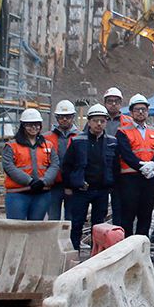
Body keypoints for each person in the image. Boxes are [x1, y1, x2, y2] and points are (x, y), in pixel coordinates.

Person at [61, 104, 117, 251]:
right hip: (82, 190)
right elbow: (67, 165)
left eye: (102, 121)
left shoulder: (112, 142)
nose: (99, 124)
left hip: (102, 190)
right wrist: (68, 186)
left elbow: (115, 166)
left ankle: (96, 254)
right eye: (95, 120)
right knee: (77, 223)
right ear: (89, 121)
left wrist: (112, 185)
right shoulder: (78, 141)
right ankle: (74, 253)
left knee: (99, 225)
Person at [115, 94, 154, 237]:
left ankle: (142, 249)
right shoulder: (123, 131)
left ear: (147, 111)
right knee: (128, 216)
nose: (140, 112)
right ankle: (128, 250)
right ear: (131, 112)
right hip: (130, 179)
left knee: (145, 215)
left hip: (149, 179)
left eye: (143, 109)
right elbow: (125, 153)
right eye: (137, 109)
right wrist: (141, 166)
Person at [2, 108, 60, 220]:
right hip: (17, 194)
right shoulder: (11, 146)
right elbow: (9, 167)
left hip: (42, 193)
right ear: (23, 125)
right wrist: (29, 181)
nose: (34, 127)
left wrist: (44, 181)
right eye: (29, 124)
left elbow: (54, 165)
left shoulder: (48, 145)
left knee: (35, 229)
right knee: (16, 228)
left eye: (37, 124)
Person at [46, 100, 79, 221]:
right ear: (56, 117)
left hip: (74, 186)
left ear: (73, 117)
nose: (64, 119)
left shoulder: (80, 137)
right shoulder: (46, 137)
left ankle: (70, 240)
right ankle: (52, 241)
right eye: (61, 117)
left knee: (71, 221)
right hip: (53, 185)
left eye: (68, 117)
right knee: (53, 220)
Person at [103, 87, 132, 226]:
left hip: (121, 168)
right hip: (101, 167)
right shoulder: (98, 118)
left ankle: (117, 235)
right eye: (110, 101)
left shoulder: (128, 121)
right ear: (105, 103)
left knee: (119, 206)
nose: (113, 104)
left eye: (116, 101)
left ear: (121, 103)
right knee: (100, 206)